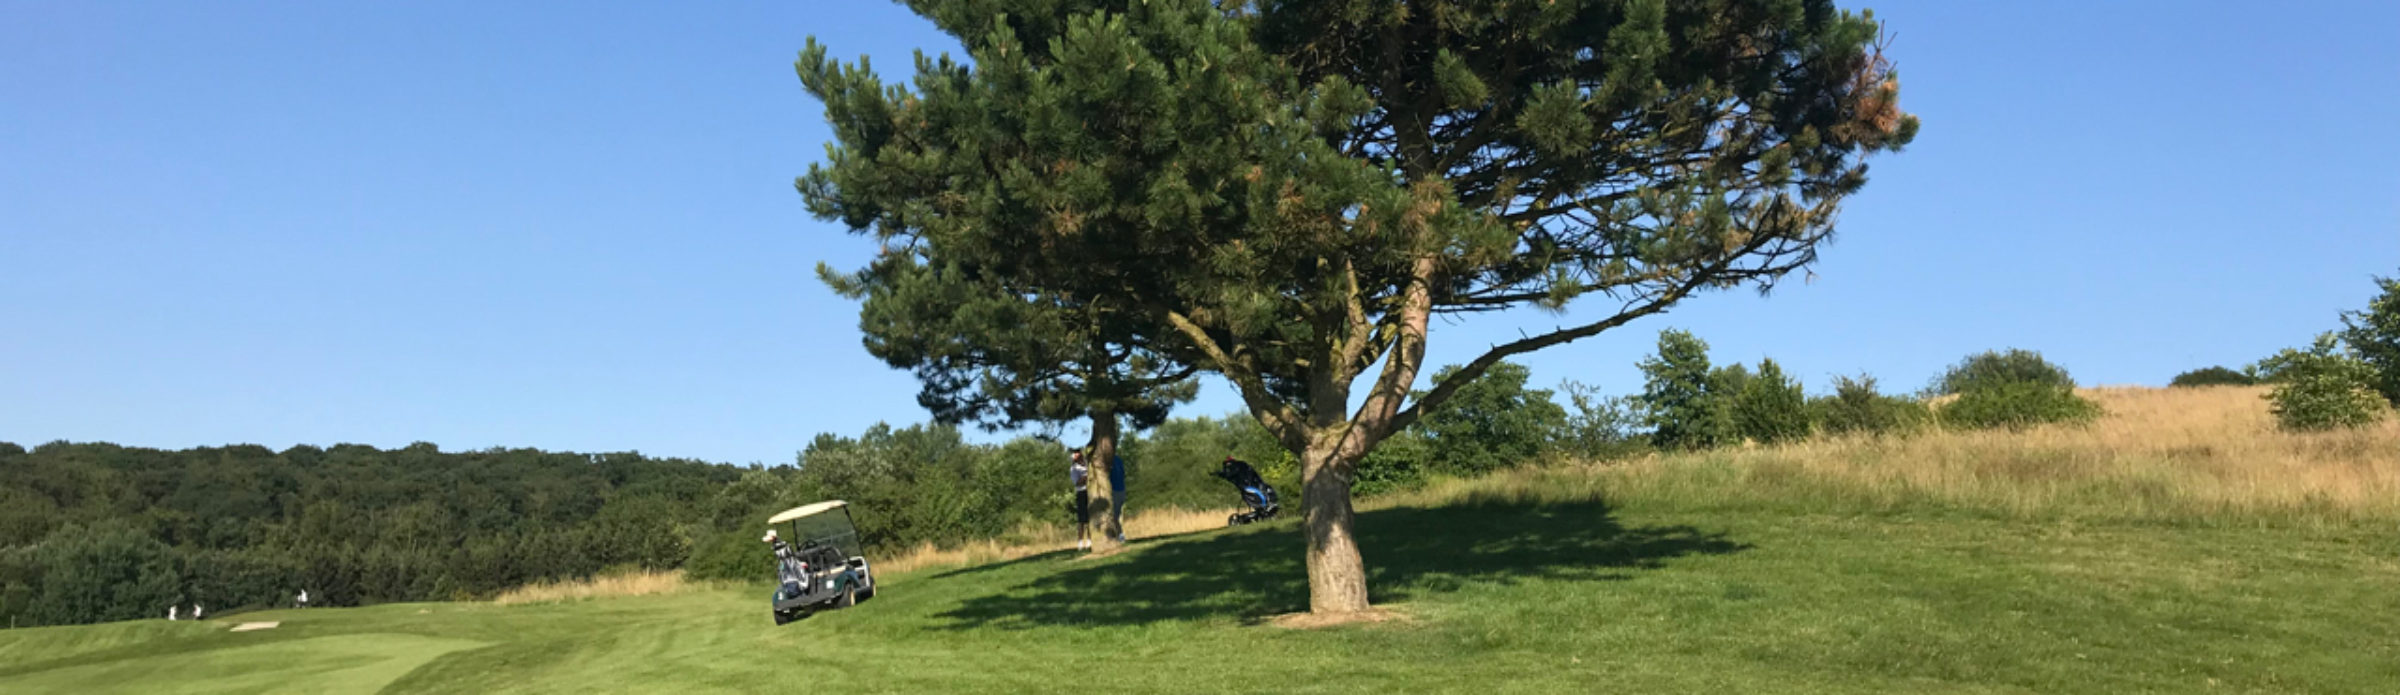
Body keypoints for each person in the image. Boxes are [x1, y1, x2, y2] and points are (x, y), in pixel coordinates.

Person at [764, 529, 807, 600]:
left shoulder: (778, 546)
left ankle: (797, 593)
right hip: (789, 563)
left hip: (788, 564)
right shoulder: (781, 544)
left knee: (791, 577)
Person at [1069, 450, 1091, 550]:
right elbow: (1077, 483)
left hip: (1090, 491)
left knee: (1090, 517)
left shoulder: (1087, 465)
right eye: (1076, 454)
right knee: (1082, 519)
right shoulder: (1074, 468)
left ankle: (1090, 540)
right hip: (1081, 492)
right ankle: (1080, 542)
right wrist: (1085, 478)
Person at [1106, 453, 1128, 543]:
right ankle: (1116, 536)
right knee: (1115, 516)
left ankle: (1119, 536)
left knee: (1113, 516)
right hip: (1122, 490)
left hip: (1115, 491)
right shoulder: (1118, 460)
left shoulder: (1108, 461)